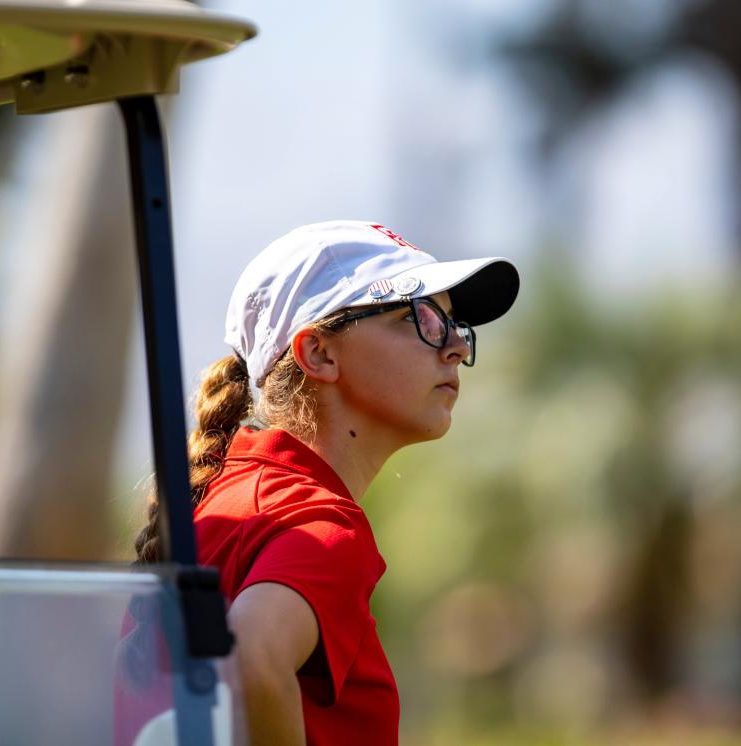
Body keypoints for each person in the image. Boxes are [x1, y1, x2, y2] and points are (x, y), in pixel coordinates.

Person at [132, 219, 519, 746]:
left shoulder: (235, 492)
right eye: (423, 318)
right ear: (318, 353)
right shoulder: (319, 525)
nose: (455, 348)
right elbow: (251, 653)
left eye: (455, 326)